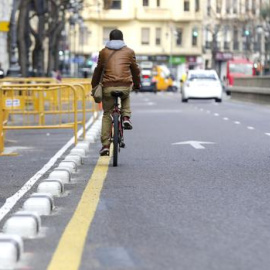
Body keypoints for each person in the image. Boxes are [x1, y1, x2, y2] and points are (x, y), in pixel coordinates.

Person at [91, 29, 140, 156]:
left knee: (107, 114)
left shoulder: (103, 52)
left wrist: (94, 86)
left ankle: (105, 146)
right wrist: (137, 84)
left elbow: (98, 70)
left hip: (107, 87)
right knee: (126, 95)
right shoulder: (129, 52)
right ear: (122, 39)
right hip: (124, 86)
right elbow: (135, 70)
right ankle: (126, 117)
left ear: (110, 39)